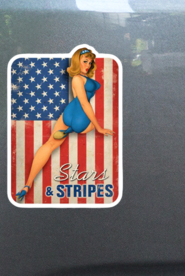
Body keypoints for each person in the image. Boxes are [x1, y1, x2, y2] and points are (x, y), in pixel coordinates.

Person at [14, 48, 114, 203]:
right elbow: (84, 103)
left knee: (50, 144)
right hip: (80, 115)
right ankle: (71, 129)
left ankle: (28, 184)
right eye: (84, 61)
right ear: (77, 62)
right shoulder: (77, 79)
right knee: (87, 128)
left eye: (90, 62)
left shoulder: (79, 78)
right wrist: (98, 127)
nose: (88, 65)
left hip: (70, 112)